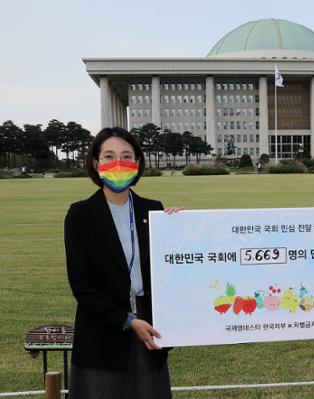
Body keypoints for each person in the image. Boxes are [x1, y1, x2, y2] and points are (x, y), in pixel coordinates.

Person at [65, 127, 181, 399]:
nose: (118, 163)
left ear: (138, 163)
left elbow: (170, 268)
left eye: (127, 156)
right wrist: (127, 320)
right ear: (96, 163)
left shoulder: (152, 209)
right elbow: (82, 286)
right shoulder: (80, 215)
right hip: (103, 330)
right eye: (109, 156)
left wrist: (179, 228)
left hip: (149, 327)